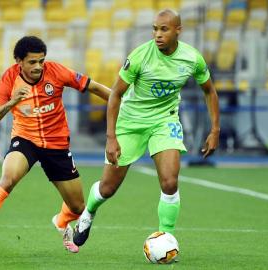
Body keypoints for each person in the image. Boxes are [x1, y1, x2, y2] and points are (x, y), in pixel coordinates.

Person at [73, 9, 220, 247]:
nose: (157, 34)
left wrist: (215, 131)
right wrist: (111, 137)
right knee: (108, 188)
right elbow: (116, 95)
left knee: (170, 182)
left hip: (165, 121)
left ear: (178, 31)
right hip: (130, 122)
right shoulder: (140, 56)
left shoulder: (192, 58)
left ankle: (167, 238)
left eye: (164, 29)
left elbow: (209, 91)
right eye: (155, 29)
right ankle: (88, 213)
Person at [0, 36, 111, 256]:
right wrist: (12, 102)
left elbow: (93, 87)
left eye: (41, 61)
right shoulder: (9, 78)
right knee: (7, 179)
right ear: (19, 61)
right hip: (25, 140)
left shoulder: (57, 72)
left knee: (78, 207)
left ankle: (61, 221)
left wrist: (121, 103)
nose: (38, 66)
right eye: (32, 62)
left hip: (56, 143)